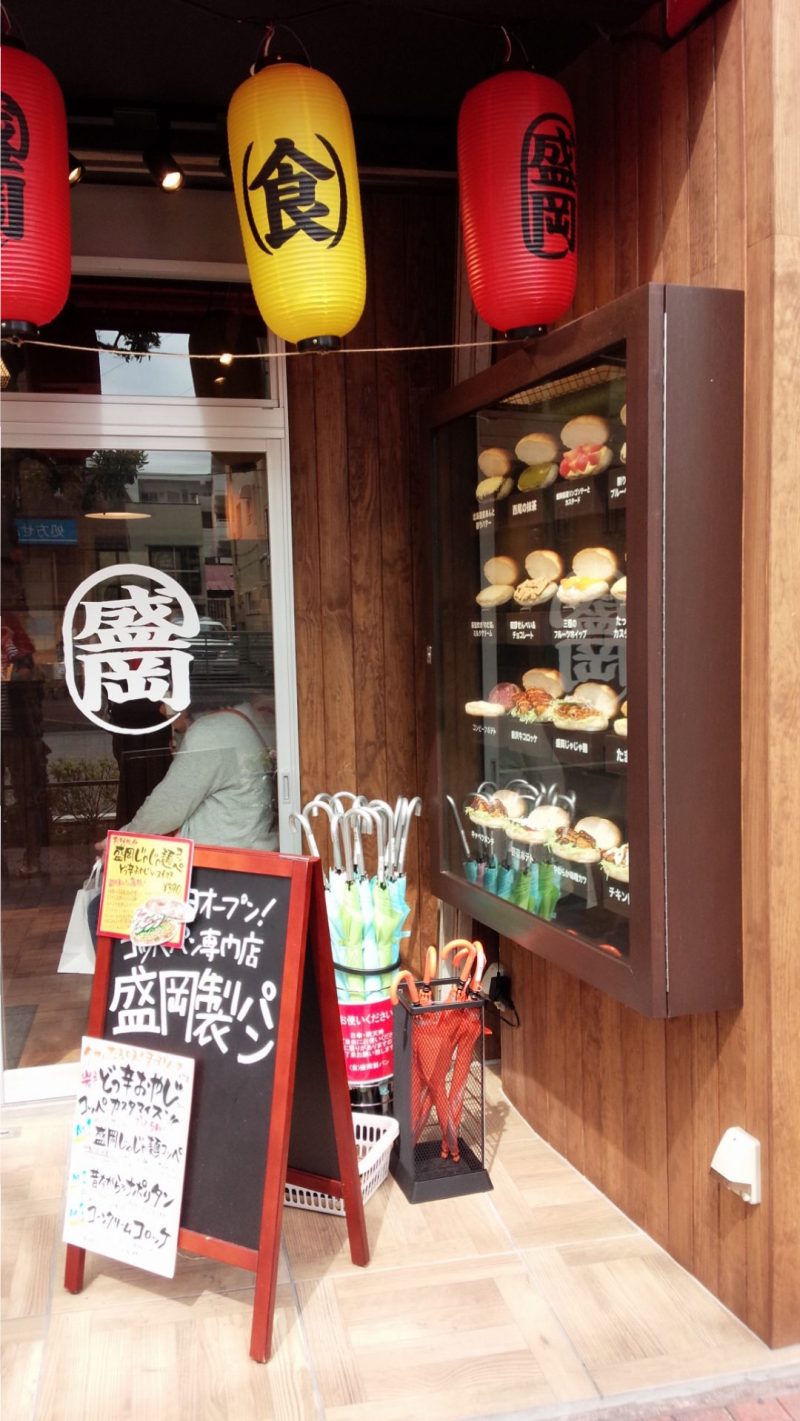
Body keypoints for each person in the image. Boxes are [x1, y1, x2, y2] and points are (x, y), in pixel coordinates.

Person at [96, 695, 278, 854]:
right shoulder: (246, 722)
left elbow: (167, 808)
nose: (162, 709)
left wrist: (122, 839)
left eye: (167, 698)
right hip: (251, 853)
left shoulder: (212, 732)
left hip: (221, 862)